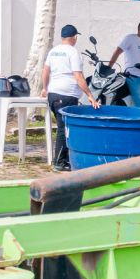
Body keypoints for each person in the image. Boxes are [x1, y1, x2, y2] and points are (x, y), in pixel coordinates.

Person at [41, 24, 98, 170]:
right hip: (67, 94)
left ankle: (64, 159)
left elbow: (45, 71)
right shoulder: (73, 52)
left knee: (64, 127)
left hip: (53, 94)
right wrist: (90, 95)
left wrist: (45, 88)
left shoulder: (53, 51)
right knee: (64, 128)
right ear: (75, 37)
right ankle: (59, 162)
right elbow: (78, 76)